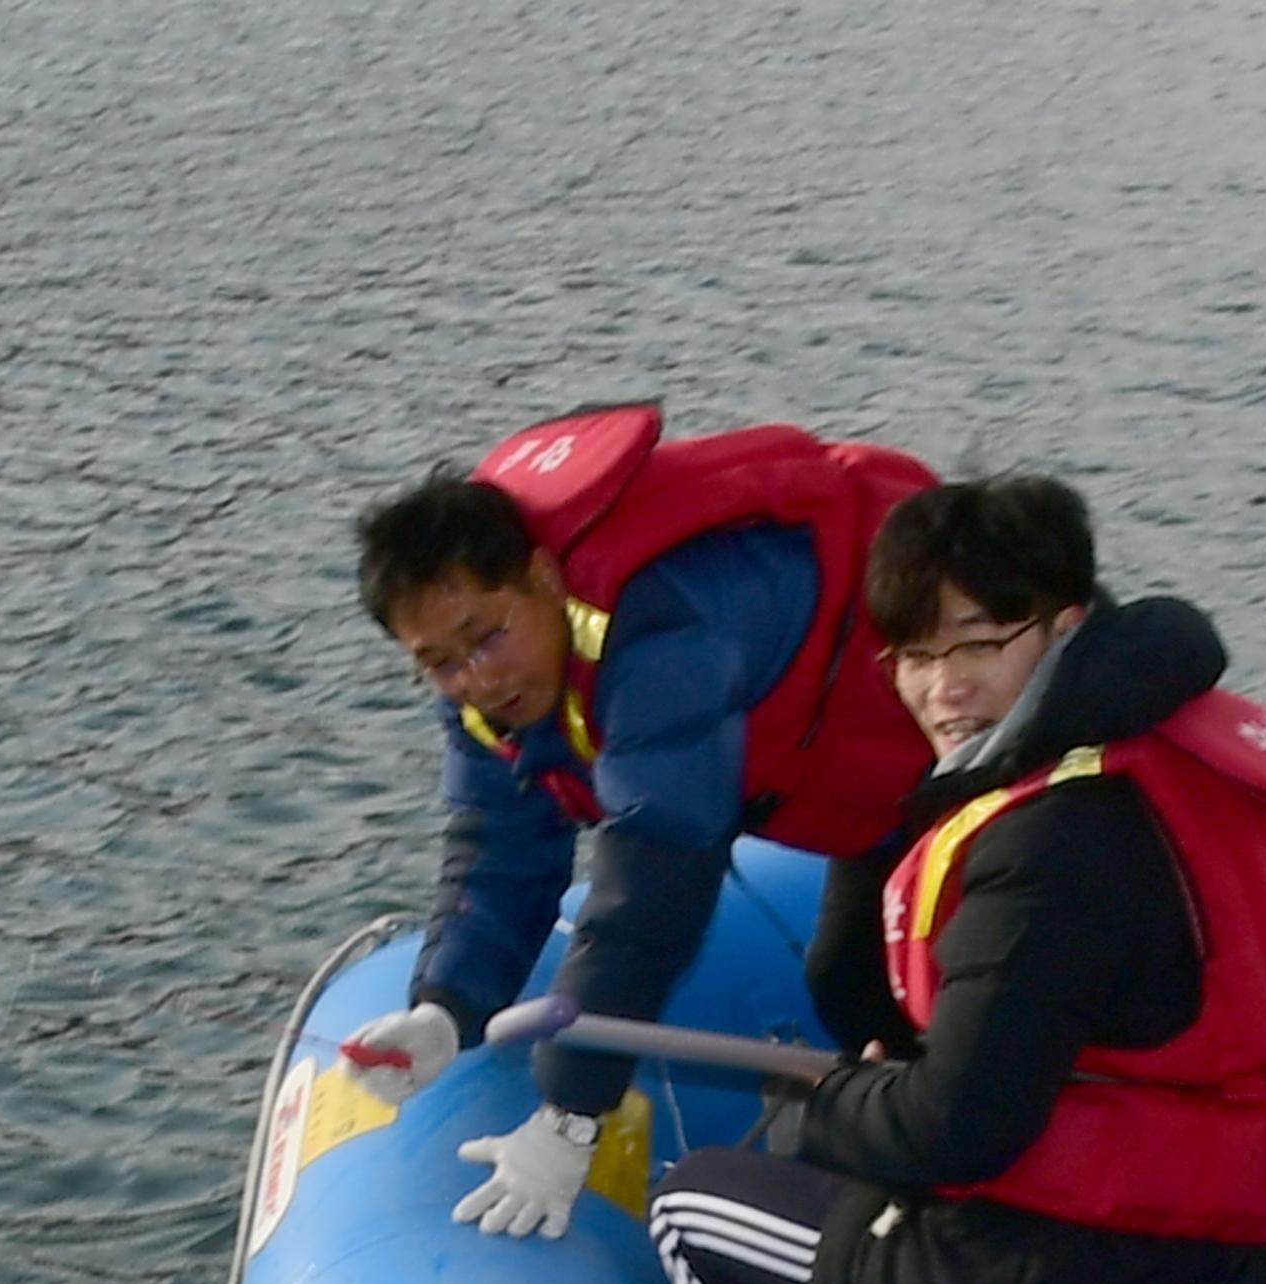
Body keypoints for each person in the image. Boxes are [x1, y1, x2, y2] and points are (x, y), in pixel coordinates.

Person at [637, 475, 1266, 1284]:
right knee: (854, 1139)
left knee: (692, 1199)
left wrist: (823, 1107)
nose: (942, 687)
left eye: (977, 644)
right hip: (1215, 1270)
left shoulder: (1048, 844)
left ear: (1064, 626)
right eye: (915, 656)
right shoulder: (1147, 755)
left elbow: (956, 1127)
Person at [335, 405, 936, 1239]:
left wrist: (570, 1116)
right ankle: (917, 1191)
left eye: (486, 638)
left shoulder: (669, 627)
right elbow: (498, 851)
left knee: (897, 985)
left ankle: (978, 1205)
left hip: (965, 758)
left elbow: (656, 872)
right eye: (435, 662)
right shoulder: (487, 694)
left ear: (544, 578)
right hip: (868, 801)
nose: (475, 676)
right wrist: (443, 1008)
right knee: (853, 983)